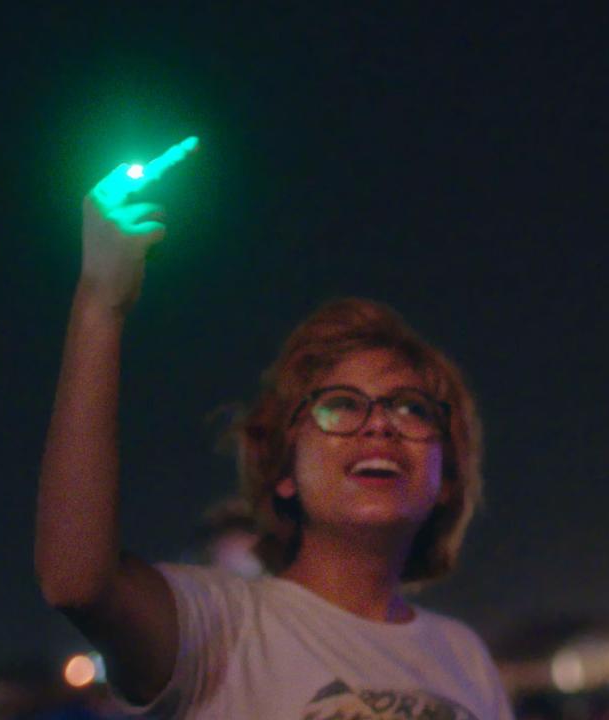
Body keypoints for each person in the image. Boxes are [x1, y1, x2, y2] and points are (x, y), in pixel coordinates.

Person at [34, 138, 512, 719]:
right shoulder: (218, 626)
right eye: (340, 404)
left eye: (411, 408)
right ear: (283, 469)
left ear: (445, 477)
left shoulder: (465, 658)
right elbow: (79, 583)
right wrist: (100, 302)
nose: (380, 425)